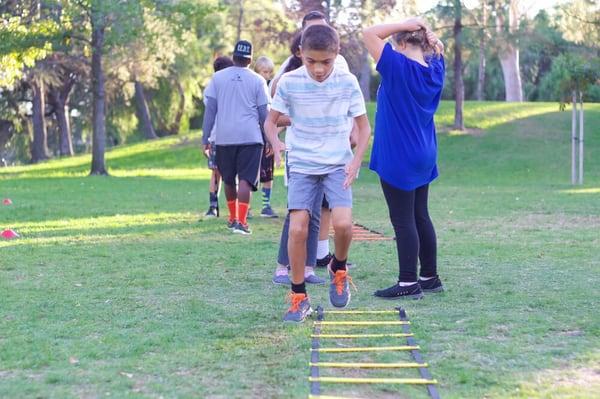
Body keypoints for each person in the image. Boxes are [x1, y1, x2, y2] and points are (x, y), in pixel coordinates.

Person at [265, 24, 371, 322]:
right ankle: (299, 297)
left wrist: (356, 161)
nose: (319, 69)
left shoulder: (348, 82)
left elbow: (363, 128)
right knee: (298, 229)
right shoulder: (289, 82)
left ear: (336, 55)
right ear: (301, 55)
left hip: (338, 163)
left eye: (325, 61)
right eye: (311, 61)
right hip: (302, 163)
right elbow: (270, 122)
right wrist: (275, 143)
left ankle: (339, 267)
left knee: (344, 225)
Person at [362, 18, 445, 299]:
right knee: (420, 214)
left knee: (403, 219)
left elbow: (369, 33)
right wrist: (429, 38)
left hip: (400, 155)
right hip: (423, 152)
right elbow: (439, 49)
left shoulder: (397, 67)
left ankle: (408, 283)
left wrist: (407, 23)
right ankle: (429, 277)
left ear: (398, 43)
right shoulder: (435, 69)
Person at [270, 33, 325, 287]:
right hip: (298, 153)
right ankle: (283, 267)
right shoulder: (289, 79)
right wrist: (279, 141)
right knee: (297, 212)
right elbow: (275, 118)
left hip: (323, 154)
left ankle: (308, 266)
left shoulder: (327, 79)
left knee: (314, 213)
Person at [202, 40, 270, 235]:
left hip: (224, 137)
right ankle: (241, 222)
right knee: (246, 181)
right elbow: (263, 113)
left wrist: (205, 138)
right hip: (250, 137)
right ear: (250, 59)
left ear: (234, 57)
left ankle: (232, 218)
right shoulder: (258, 80)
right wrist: (268, 139)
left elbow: (210, 111)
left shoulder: (218, 78)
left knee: (229, 179)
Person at [203, 56, 234, 218]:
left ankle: (222, 207)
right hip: (218, 136)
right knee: (217, 172)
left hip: (226, 136)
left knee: (222, 172)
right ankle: (214, 205)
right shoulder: (212, 88)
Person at [253, 56, 279, 218]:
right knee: (250, 172)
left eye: (270, 72)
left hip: (268, 135)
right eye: (264, 71)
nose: (267, 75)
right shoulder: (253, 87)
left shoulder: (271, 90)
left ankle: (266, 205)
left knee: (268, 171)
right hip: (254, 134)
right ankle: (246, 207)